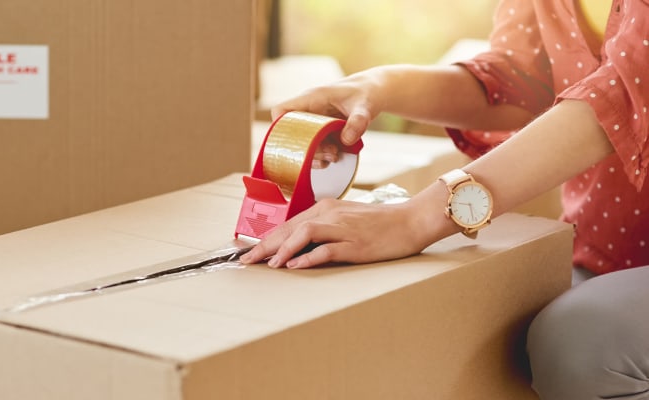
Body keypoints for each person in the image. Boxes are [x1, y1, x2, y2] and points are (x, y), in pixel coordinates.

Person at [239, 1, 649, 399]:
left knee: (582, 346)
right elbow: (521, 82)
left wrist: (415, 219)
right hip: (598, 250)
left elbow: (629, 93)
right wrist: (376, 88)